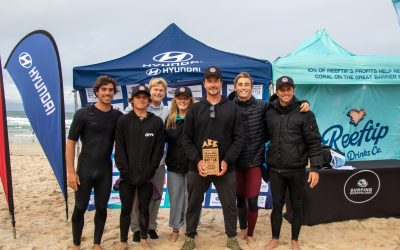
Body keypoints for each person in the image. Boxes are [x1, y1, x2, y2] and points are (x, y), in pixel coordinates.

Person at [228, 72, 310, 248]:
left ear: (252, 87)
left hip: (255, 162)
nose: (243, 87)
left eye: (247, 84)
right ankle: (242, 228)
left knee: (252, 201)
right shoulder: (228, 107)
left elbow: (284, 101)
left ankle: (250, 233)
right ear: (235, 87)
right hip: (235, 162)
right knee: (240, 200)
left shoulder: (263, 106)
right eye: (240, 84)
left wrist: (303, 102)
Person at [180, 66, 244, 250]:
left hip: (225, 167)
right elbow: (186, 139)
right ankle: (190, 237)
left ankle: (232, 237)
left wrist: (226, 161)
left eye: (216, 80)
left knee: (229, 205)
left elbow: (239, 138)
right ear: (205, 83)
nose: (213, 84)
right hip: (197, 167)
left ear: (221, 83)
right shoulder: (195, 109)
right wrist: (198, 161)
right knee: (193, 204)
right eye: (210, 80)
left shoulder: (232, 108)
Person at [263, 76, 322, 250]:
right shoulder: (269, 112)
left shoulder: (306, 113)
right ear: (277, 91)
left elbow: (314, 142)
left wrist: (316, 168)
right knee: (277, 205)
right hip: (275, 169)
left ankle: (294, 240)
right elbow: (265, 135)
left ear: (293, 90)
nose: (286, 92)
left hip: (297, 169)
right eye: (282, 89)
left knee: (297, 204)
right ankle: (275, 238)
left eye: (289, 89)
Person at [66, 76, 122, 250]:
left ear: (114, 93)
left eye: (110, 90)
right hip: (84, 169)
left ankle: (96, 243)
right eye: (104, 89)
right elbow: (71, 142)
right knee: (80, 207)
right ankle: (76, 243)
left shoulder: (117, 116)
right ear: (96, 92)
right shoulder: (83, 113)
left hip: (104, 170)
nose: (107, 93)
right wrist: (70, 172)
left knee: (101, 208)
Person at [115, 85, 165, 249]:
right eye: (138, 97)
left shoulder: (156, 122)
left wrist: (149, 171)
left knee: (144, 208)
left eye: (144, 97)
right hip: (127, 176)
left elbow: (158, 150)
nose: (141, 100)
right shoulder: (123, 120)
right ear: (132, 100)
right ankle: (123, 241)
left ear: (149, 100)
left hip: (147, 175)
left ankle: (144, 238)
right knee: (126, 209)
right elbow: (120, 149)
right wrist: (125, 171)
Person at [125, 78, 169, 243]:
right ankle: (136, 228)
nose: (158, 93)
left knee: (155, 196)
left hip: (159, 162)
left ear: (164, 93)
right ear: (150, 92)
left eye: (161, 91)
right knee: (137, 197)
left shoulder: (166, 111)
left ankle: (151, 226)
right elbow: (123, 124)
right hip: (137, 163)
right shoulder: (134, 107)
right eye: (155, 90)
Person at [165, 86, 196, 242]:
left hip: (193, 166)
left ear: (190, 100)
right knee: (176, 198)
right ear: (175, 100)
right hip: (174, 166)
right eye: (180, 98)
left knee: (192, 198)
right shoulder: (169, 119)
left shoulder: (196, 117)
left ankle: (190, 229)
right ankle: (175, 228)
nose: (182, 101)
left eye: (186, 98)